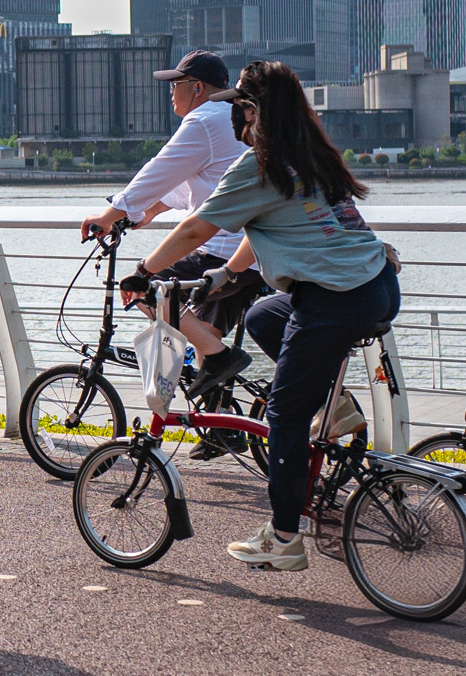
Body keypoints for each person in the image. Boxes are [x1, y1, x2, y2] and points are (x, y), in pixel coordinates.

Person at [132, 60, 399, 572]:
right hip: (377, 287)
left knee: (284, 418)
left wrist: (143, 272)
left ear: (253, 111)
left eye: (239, 107)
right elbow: (268, 227)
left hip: (334, 298)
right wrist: (224, 274)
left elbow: (196, 229)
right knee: (262, 317)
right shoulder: (312, 155)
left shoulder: (260, 164)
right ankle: (337, 405)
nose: (235, 117)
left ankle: (283, 536)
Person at [80, 50, 265, 418]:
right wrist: (146, 213)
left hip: (221, 251)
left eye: (175, 84)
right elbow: (193, 184)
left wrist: (110, 214)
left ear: (197, 88)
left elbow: (159, 170)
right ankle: (222, 428)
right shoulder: (231, 117)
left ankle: (221, 358)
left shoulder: (203, 120)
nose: (170, 92)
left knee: (142, 287)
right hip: (252, 254)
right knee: (203, 334)